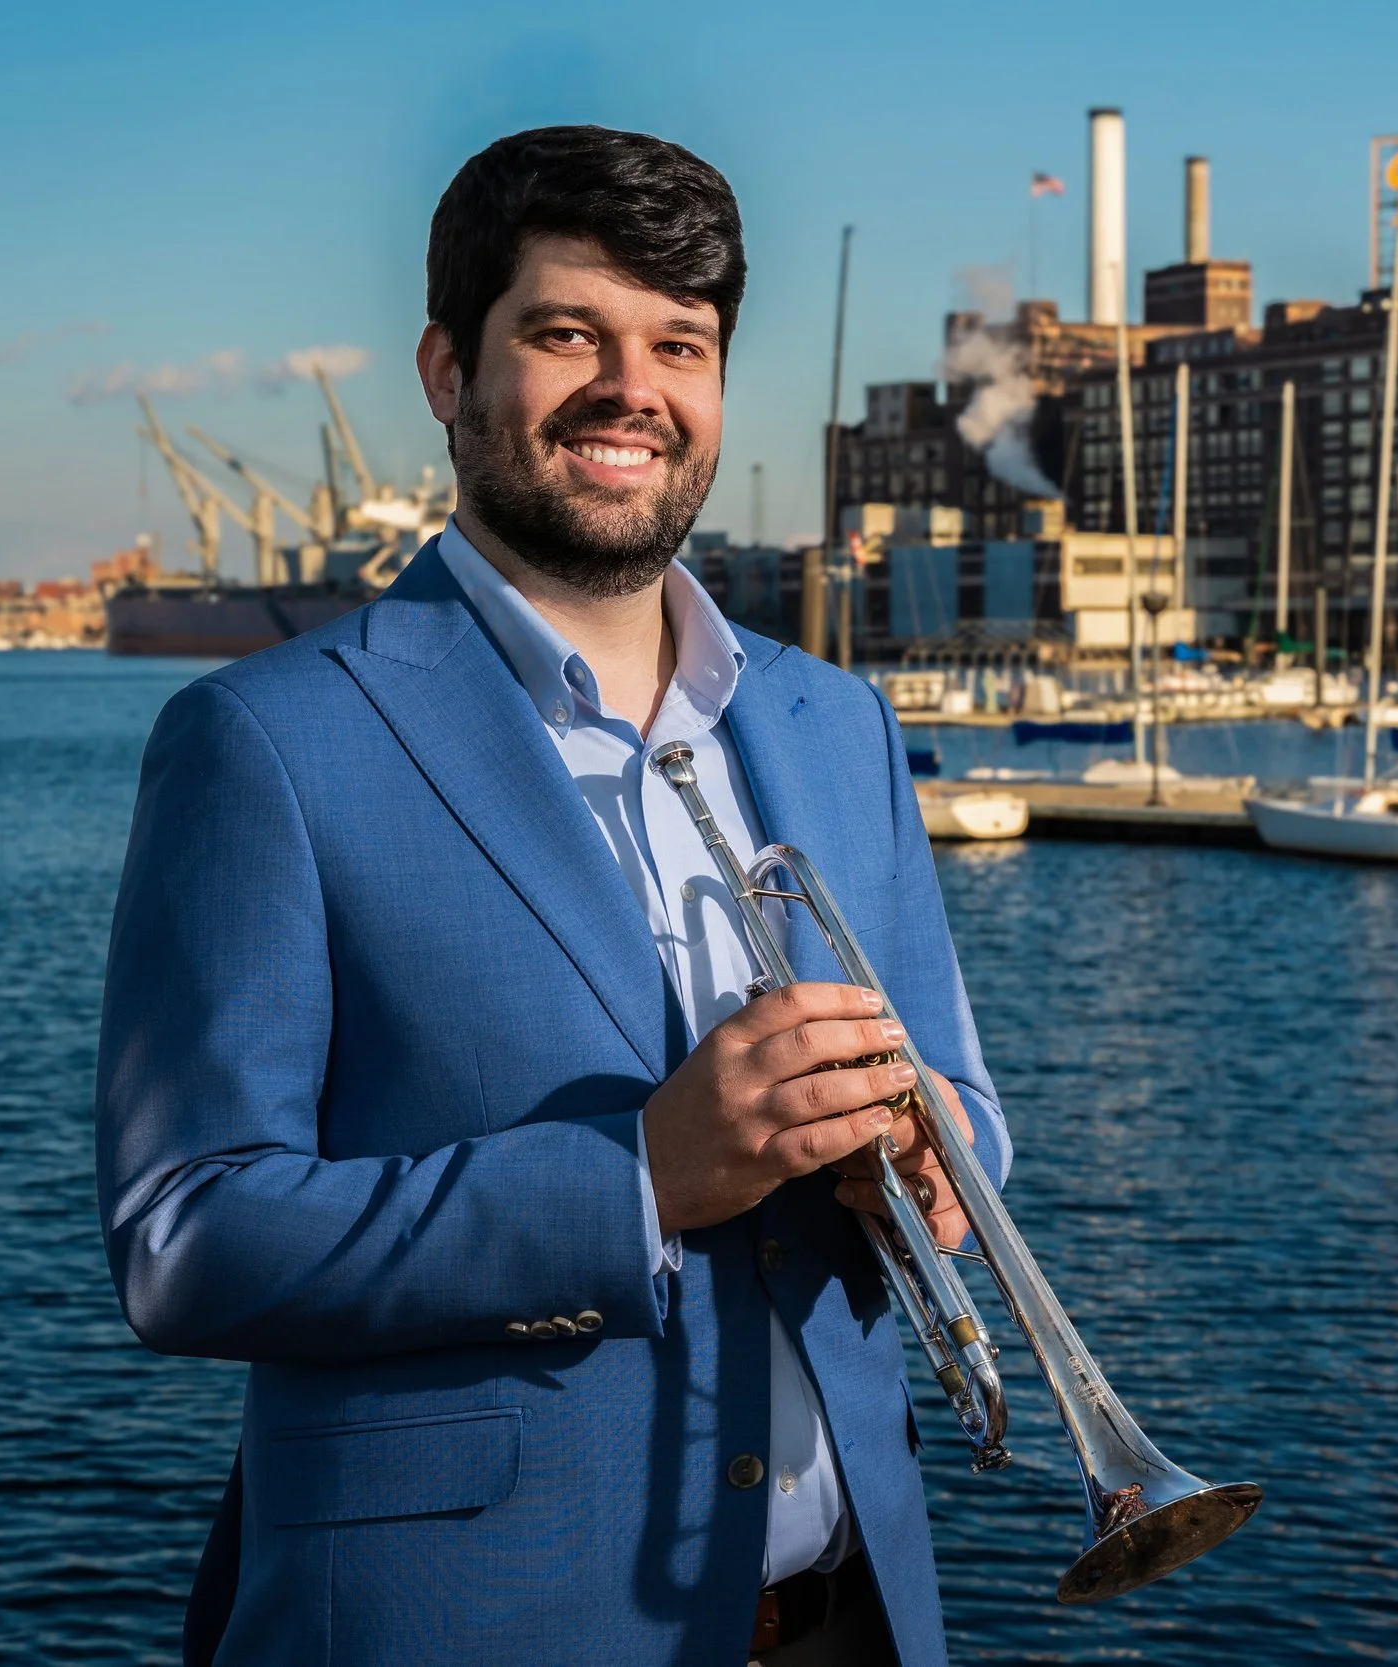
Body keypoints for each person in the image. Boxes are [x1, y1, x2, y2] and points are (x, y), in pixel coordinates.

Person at [94, 125, 1008, 1667]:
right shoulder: (263, 741)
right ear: (450, 371)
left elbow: (966, 1094)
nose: (630, 388)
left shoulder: (836, 725)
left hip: (852, 1617)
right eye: (567, 332)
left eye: (680, 345)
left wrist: (937, 1160)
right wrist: (638, 1177)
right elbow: (186, 1235)